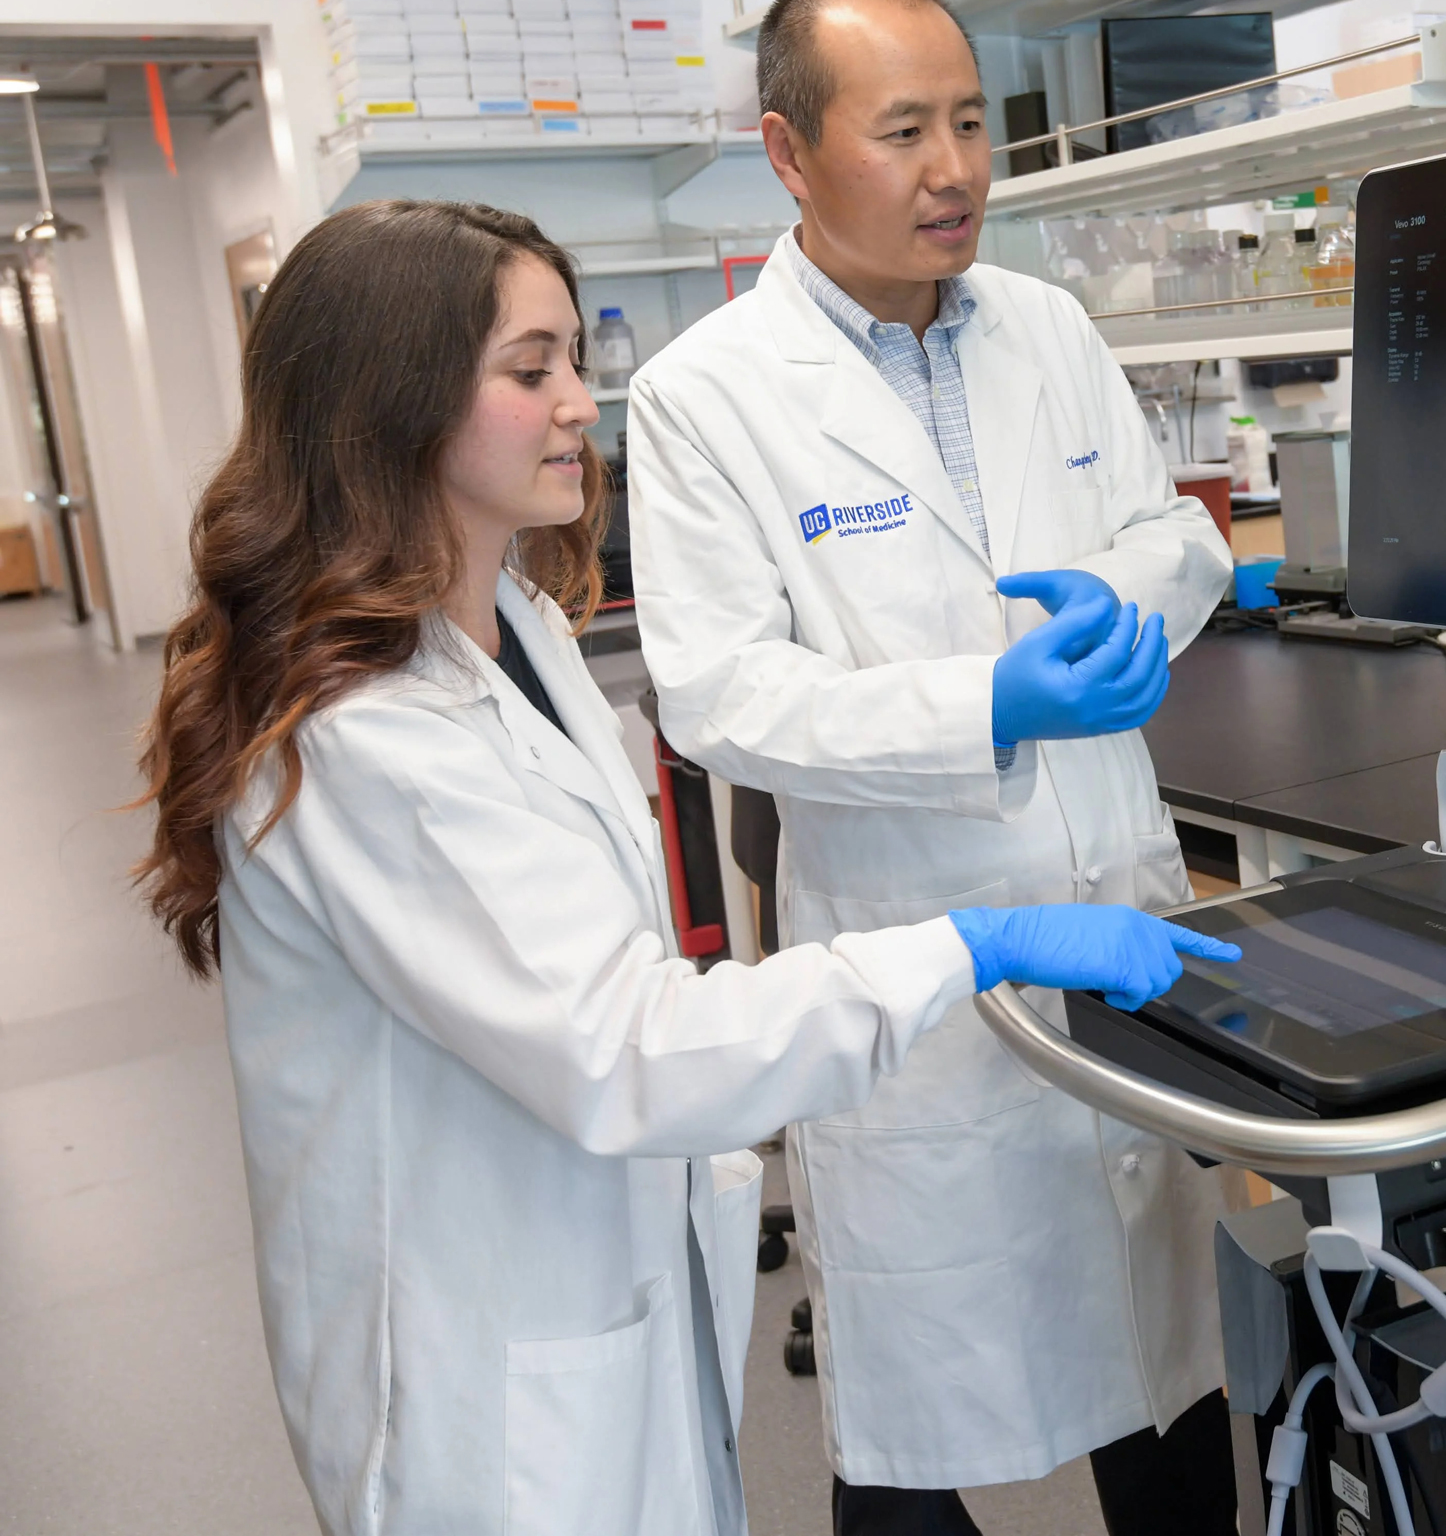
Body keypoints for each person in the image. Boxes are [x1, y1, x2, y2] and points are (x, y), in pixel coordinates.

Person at [133, 198, 1238, 1536]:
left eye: (570, 367)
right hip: (481, 1371)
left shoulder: (517, 632)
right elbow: (628, 1046)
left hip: (603, 1285)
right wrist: (975, 944)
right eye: (529, 371)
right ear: (394, 402)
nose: (578, 406)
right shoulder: (368, 740)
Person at [627, 0, 1239, 1533]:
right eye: (904, 130)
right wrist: (989, 704)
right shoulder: (710, 397)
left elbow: (1175, 535)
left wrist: (1123, 599)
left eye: (970, 121)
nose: (955, 168)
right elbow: (717, 695)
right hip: (910, 964)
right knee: (913, 1440)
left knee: (1169, 1377)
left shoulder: (1042, 323)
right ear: (789, 152)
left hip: (1117, 908)